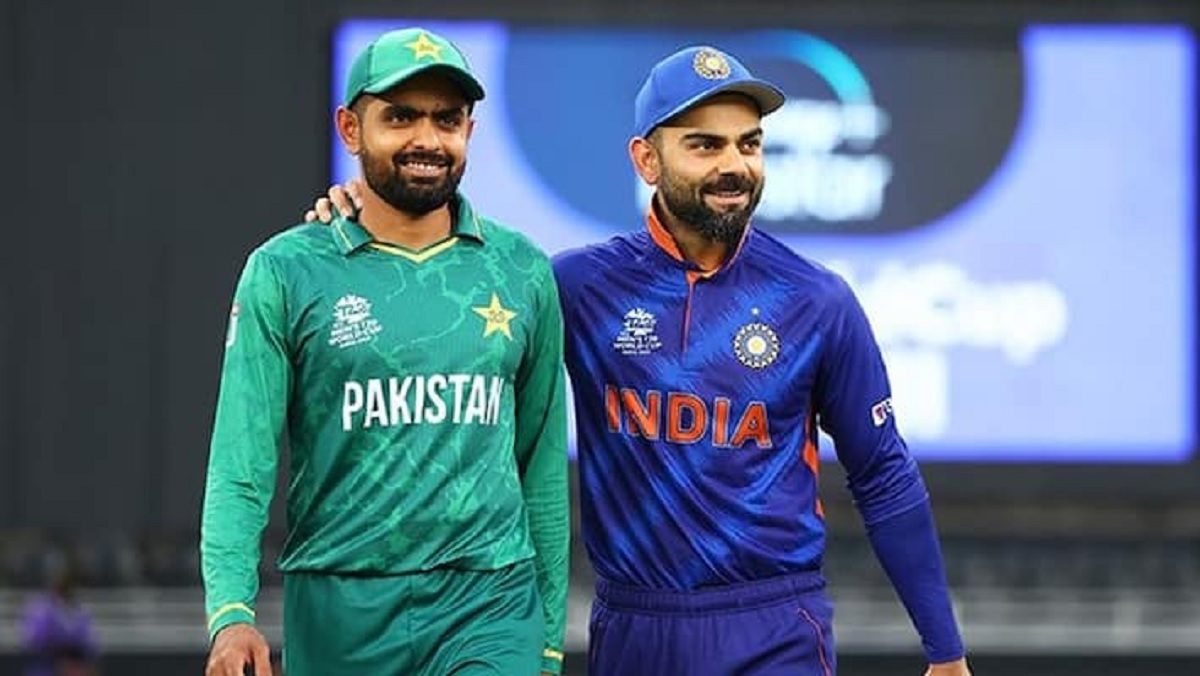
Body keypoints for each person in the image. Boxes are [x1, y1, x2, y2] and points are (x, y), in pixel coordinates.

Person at [309, 44, 970, 676]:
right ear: (646, 159)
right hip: (633, 627)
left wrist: (945, 649)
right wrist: (366, 213)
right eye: (705, 145)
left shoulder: (816, 299)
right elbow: (447, 286)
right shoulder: (578, 286)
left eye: (748, 143)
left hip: (772, 624)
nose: (734, 165)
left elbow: (883, 475)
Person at [202, 27, 570, 676]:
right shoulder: (285, 270)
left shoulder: (521, 268)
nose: (427, 139)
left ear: (469, 131)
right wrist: (231, 611)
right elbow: (241, 461)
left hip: (488, 601)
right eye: (400, 117)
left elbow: (541, 466)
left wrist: (546, 642)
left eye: (446, 119)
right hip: (340, 609)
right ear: (350, 129)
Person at [20, 557, 99, 676]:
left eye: (67, 584)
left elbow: (89, 644)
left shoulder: (80, 611)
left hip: (74, 663)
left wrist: (78, 659)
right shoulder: (41, 608)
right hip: (47, 663)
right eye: (58, 582)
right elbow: (34, 639)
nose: (63, 586)